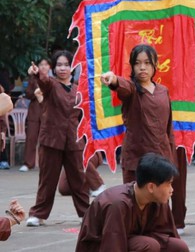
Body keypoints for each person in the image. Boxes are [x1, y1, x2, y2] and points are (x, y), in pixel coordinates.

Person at [99, 44, 185, 233]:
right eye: (137, 63)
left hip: (161, 158)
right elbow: (121, 86)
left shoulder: (163, 91)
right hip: (137, 160)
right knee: (134, 207)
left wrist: (171, 159)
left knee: (161, 208)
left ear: (155, 65)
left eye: (147, 63)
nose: (142, 68)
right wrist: (113, 79)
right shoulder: (131, 90)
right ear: (132, 66)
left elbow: (168, 129)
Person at [26, 51, 89, 226]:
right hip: (51, 140)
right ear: (54, 68)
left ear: (72, 67)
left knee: (79, 179)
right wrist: (38, 72)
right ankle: (38, 214)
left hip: (74, 139)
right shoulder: (51, 85)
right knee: (47, 179)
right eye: (59, 65)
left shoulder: (78, 89)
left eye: (66, 64)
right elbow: (43, 82)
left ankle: (87, 213)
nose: (63, 68)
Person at [76, 153, 188, 252]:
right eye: (168, 184)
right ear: (151, 187)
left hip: (133, 241)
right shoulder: (118, 204)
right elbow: (112, 244)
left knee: (178, 247)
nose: (171, 189)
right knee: (149, 245)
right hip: (102, 246)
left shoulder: (158, 200)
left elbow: (167, 234)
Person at [20, 58, 50, 172]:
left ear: (49, 67)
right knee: (31, 137)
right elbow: (27, 94)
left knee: (48, 139)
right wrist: (33, 82)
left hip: (48, 112)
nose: (43, 67)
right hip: (34, 112)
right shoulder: (33, 79)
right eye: (41, 64)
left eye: (46, 64)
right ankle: (28, 163)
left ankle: (47, 163)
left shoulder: (52, 80)